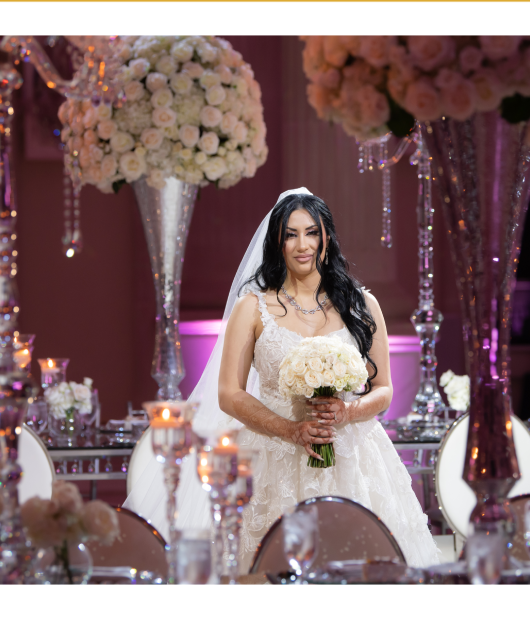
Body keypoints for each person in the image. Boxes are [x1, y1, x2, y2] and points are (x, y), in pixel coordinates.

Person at [124, 188, 441, 572]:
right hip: (271, 456)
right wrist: (291, 430)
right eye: (291, 234)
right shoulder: (253, 308)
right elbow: (228, 393)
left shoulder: (362, 304)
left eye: (311, 232)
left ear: (327, 237)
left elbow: (385, 390)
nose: (302, 244)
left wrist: (347, 410)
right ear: (277, 240)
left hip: (352, 454)